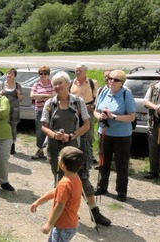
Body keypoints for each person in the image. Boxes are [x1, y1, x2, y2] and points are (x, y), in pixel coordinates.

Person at [41, 72, 111, 227]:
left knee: (83, 180)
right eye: (55, 84)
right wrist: (55, 135)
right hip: (55, 148)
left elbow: (86, 125)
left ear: (68, 85)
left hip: (74, 148)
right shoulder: (49, 103)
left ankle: (95, 213)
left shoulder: (78, 102)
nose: (58, 87)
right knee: (60, 182)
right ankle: (66, 213)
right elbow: (44, 126)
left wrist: (71, 135)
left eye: (61, 83)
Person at [94, 70, 135, 202]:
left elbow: (131, 117)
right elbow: (95, 111)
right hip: (105, 133)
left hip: (122, 135)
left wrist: (113, 116)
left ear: (122, 82)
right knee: (103, 161)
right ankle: (102, 186)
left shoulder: (126, 94)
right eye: (110, 78)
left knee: (121, 164)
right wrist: (100, 116)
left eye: (115, 80)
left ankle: (121, 192)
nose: (111, 81)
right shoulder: (103, 91)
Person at [30, 146, 84, 242]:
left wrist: (49, 224)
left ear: (62, 165)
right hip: (70, 223)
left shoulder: (65, 183)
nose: (58, 157)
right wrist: (39, 201)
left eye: (59, 157)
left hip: (63, 226)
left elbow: (60, 205)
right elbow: (56, 191)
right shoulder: (75, 178)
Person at [70, 64, 100, 166]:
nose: (77, 72)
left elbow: (97, 98)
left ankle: (89, 155)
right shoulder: (71, 83)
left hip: (88, 111)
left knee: (89, 133)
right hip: (74, 112)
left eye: (80, 71)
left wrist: (92, 107)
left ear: (85, 72)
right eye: (76, 70)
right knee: (75, 131)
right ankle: (75, 153)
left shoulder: (93, 83)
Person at [31, 65, 55, 160]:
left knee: (51, 130)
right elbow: (32, 96)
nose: (43, 75)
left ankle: (51, 151)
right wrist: (46, 95)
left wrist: (40, 96)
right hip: (39, 110)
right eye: (41, 73)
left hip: (50, 111)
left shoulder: (52, 84)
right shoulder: (36, 85)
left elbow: (53, 96)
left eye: (45, 73)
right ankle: (40, 150)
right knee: (39, 131)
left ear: (48, 74)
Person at [0, 68, 23, 154]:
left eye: (11, 74)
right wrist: (0, 94)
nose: (9, 75)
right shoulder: (2, 84)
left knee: (13, 128)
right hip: (4, 109)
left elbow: (21, 99)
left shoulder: (17, 85)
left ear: (14, 76)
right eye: (8, 73)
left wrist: (19, 94)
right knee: (3, 126)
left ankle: (12, 145)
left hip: (14, 109)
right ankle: (4, 145)